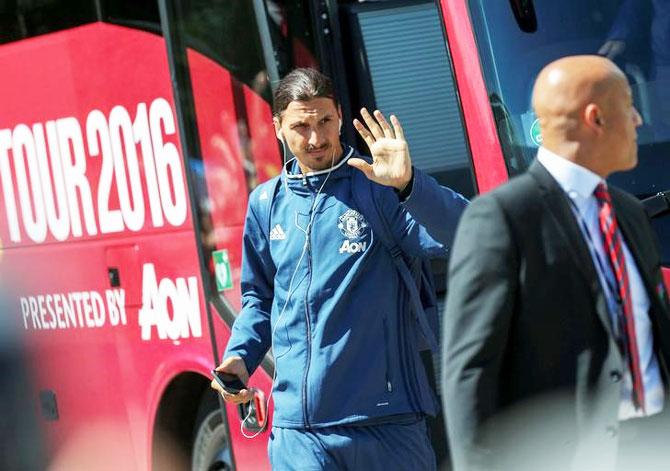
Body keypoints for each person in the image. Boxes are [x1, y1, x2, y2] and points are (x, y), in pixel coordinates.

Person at [210, 67, 468, 469]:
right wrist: (240, 357)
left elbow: (466, 233)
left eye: (325, 121)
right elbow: (258, 299)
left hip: (386, 421)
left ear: (341, 117)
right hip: (300, 431)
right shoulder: (265, 203)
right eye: (301, 126)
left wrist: (409, 185)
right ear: (277, 127)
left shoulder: (378, 187)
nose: (316, 138)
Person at [442, 55, 670, 471]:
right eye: (629, 107)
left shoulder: (630, 213)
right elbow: (469, 373)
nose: (639, 120)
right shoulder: (502, 217)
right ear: (595, 118)